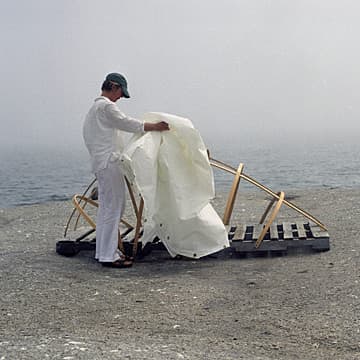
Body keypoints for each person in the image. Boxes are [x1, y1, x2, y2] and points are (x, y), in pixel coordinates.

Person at [83, 72, 169, 268]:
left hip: (100, 163)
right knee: (114, 209)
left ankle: (103, 252)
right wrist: (155, 126)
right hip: (110, 162)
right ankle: (109, 256)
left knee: (106, 209)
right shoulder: (106, 106)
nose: (121, 97)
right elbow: (127, 123)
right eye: (121, 92)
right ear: (113, 86)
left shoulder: (93, 110)